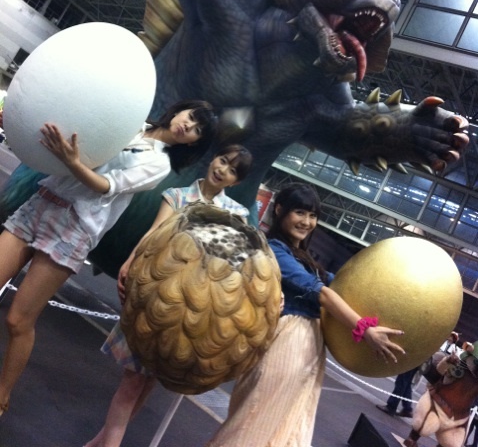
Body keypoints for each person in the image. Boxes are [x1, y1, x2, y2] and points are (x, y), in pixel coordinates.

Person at [0, 99, 217, 416]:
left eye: (197, 130)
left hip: (74, 227)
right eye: (192, 117)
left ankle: (3, 396)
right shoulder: (130, 124)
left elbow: (107, 186)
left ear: (194, 143)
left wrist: (72, 161)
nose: (189, 125)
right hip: (42, 202)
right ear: (180, 110)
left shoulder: (159, 164)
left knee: (18, 320)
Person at [206, 182, 406, 447]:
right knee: (253, 426)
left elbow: (342, 286)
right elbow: (321, 293)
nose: (307, 222)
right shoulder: (274, 250)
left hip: (306, 348)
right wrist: (364, 329)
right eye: (299, 212)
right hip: (285, 344)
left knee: (286, 430)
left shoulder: (304, 258)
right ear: (280, 210)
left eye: (313, 215)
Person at [84, 143, 253, 447]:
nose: (222, 169)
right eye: (222, 160)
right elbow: (154, 233)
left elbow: (235, 264)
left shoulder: (236, 215)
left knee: (148, 381)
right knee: (133, 380)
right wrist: (130, 261)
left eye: (232, 170)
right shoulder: (177, 196)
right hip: (156, 296)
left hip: (191, 309)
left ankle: (97, 444)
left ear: (236, 181)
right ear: (213, 157)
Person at [404, 342, 478, 447]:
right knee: (424, 425)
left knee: (452, 443)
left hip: (459, 417)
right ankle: (413, 437)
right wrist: (448, 362)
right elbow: (439, 371)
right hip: (437, 405)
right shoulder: (458, 367)